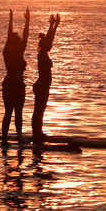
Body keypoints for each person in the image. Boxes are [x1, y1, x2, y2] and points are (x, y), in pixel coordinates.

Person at [1, 8, 30, 145]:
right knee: (9, 113)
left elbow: (26, 36)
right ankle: (5, 140)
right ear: (13, 43)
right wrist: (11, 20)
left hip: (18, 86)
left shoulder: (19, 52)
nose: (20, 42)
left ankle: (19, 136)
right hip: (10, 86)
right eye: (17, 40)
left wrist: (28, 21)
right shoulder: (8, 52)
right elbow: (8, 37)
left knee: (18, 113)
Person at [31, 13, 61, 143]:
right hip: (41, 86)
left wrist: (55, 25)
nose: (52, 45)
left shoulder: (43, 53)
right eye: (49, 44)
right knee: (38, 110)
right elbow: (49, 39)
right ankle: (36, 133)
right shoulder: (42, 53)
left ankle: (38, 132)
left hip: (44, 86)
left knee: (40, 110)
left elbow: (50, 39)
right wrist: (52, 25)